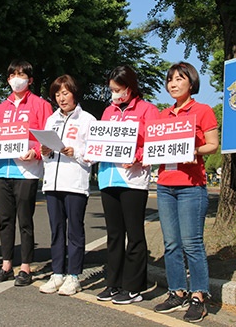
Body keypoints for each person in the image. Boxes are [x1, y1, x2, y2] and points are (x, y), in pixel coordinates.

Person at [152, 62, 218, 323]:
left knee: (192, 243)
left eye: (179, 79)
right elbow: (153, 146)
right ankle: (176, 291)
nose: (173, 84)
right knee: (171, 243)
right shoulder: (162, 116)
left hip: (192, 185)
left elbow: (213, 145)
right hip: (165, 184)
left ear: (191, 83)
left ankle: (199, 296)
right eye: (170, 80)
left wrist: (194, 151)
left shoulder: (202, 111)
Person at [0, 59, 53, 287]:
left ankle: (25, 266)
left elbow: (47, 137)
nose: (17, 78)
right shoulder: (1, 107)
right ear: (8, 79)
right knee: (5, 220)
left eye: (22, 74)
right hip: (3, 170)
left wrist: (35, 152)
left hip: (27, 172)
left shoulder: (41, 105)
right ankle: (6, 265)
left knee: (25, 220)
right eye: (13, 74)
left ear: (30, 80)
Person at [95, 65, 159, 305]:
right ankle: (113, 283)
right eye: (111, 89)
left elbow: (154, 144)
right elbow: (99, 141)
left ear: (130, 88)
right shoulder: (108, 112)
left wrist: (139, 155)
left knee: (134, 234)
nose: (114, 94)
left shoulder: (148, 110)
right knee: (113, 235)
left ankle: (133, 287)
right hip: (108, 177)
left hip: (132, 180)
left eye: (118, 89)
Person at [38, 75, 96, 296]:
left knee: (74, 230)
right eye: (57, 94)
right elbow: (46, 153)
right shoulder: (51, 120)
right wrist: (45, 152)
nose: (61, 98)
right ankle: (57, 273)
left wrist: (77, 153)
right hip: (52, 182)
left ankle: (73, 276)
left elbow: (94, 154)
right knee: (56, 230)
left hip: (75, 183)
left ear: (74, 93)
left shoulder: (88, 120)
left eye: (65, 93)